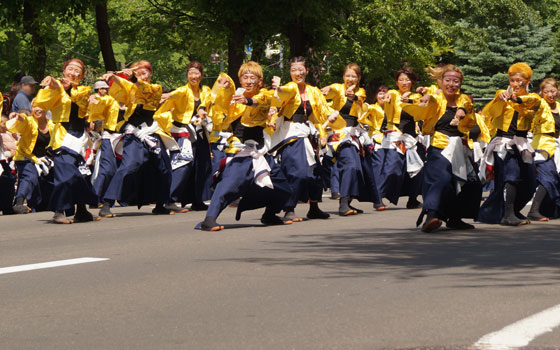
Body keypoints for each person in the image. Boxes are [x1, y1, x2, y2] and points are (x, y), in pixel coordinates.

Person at [199, 61, 292, 230]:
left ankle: (269, 215)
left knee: (283, 186)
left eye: (253, 77)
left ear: (260, 80)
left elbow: (262, 101)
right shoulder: (234, 97)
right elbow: (218, 101)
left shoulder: (264, 94)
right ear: (240, 80)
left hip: (261, 151)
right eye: (245, 77)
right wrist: (221, 88)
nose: (248, 81)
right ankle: (209, 219)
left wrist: (248, 101)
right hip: (240, 149)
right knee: (230, 183)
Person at [403, 64, 481, 232]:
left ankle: (455, 218)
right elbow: (425, 100)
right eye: (448, 80)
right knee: (441, 178)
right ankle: (431, 215)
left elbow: (467, 108)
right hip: (440, 145)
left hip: (460, 146)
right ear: (441, 81)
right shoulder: (436, 98)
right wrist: (425, 98)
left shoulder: (464, 99)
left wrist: (461, 110)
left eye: (456, 81)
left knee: (471, 183)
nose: (452, 84)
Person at [99, 60, 178, 217]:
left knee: (163, 166)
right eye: (138, 73)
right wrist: (113, 78)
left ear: (151, 73)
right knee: (130, 165)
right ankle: (107, 202)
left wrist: (133, 79)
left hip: (151, 131)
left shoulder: (155, 88)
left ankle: (161, 204)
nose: (143, 76)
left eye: (145, 72)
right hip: (134, 133)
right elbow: (121, 87)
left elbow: (146, 90)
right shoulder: (131, 89)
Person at [268, 56, 338, 222]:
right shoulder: (289, 88)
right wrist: (277, 90)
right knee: (297, 171)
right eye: (293, 70)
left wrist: (331, 115)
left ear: (306, 71)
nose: (297, 73)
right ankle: (289, 207)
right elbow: (281, 97)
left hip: (309, 132)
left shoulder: (313, 90)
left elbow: (323, 108)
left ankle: (313, 207)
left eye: (301, 70)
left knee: (316, 172)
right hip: (291, 133)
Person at [34, 58, 99, 224]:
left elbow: (79, 102)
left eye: (78, 71)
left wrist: (63, 87)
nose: (73, 72)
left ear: (82, 76)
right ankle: (59, 211)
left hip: (78, 136)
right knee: (66, 174)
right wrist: (54, 86)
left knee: (80, 174)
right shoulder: (54, 88)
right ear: (64, 71)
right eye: (70, 68)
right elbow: (42, 103)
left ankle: (82, 210)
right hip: (62, 135)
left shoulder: (84, 90)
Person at [478, 62, 541, 226]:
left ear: (527, 82)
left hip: (521, 142)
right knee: (510, 175)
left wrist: (516, 99)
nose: (515, 84)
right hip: (503, 142)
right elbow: (491, 111)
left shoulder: (532, 97)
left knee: (529, 181)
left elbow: (531, 104)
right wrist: (500, 99)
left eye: (519, 80)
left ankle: (508, 210)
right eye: (512, 80)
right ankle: (508, 214)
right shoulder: (502, 94)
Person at [322, 63, 386, 215]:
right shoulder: (338, 88)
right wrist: (327, 89)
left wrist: (354, 96)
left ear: (359, 78)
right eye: (348, 76)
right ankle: (343, 203)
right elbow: (332, 90)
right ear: (343, 77)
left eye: (354, 76)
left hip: (356, 135)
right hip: (340, 136)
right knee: (350, 165)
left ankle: (352, 201)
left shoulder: (360, 91)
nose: (350, 79)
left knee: (363, 168)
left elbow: (360, 98)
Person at [155, 61, 212, 212]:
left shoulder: (206, 91)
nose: (194, 76)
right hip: (183, 132)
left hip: (200, 132)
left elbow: (212, 102)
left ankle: (197, 199)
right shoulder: (182, 91)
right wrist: (169, 95)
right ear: (187, 75)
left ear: (202, 75)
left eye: (197, 73)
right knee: (183, 165)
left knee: (202, 165)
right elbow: (175, 96)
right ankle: (169, 199)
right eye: (191, 73)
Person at [378, 67, 424, 209]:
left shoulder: (416, 97)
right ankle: (378, 196)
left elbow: (420, 109)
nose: (404, 82)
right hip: (396, 136)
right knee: (393, 167)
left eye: (407, 79)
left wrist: (409, 101)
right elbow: (389, 97)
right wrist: (388, 98)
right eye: (401, 79)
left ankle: (413, 198)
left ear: (413, 81)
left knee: (417, 168)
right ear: (397, 82)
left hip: (411, 137)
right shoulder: (393, 93)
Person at [7, 107, 54, 214]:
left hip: (42, 159)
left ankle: (39, 205)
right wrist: (18, 117)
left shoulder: (51, 125)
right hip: (25, 156)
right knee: (30, 176)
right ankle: (19, 203)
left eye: (40, 108)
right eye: (34, 108)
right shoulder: (30, 122)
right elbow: (23, 120)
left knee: (46, 181)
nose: (37, 110)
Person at [527, 78, 560, 221]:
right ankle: (533, 210)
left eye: (553, 91)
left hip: (557, 145)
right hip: (541, 144)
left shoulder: (559, 106)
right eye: (546, 91)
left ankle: (550, 209)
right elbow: (530, 103)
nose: (551, 94)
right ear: (541, 93)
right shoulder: (540, 105)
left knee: (554, 177)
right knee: (548, 175)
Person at [88, 80, 121, 208]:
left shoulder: (113, 100)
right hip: (107, 136)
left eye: (106, 88)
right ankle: (95, 198)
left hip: (120, 136)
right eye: (102, 89)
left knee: (112, 169)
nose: (104, 90)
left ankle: (105, 198)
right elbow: (93, 113)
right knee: (106, 169)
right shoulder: (99, 100)